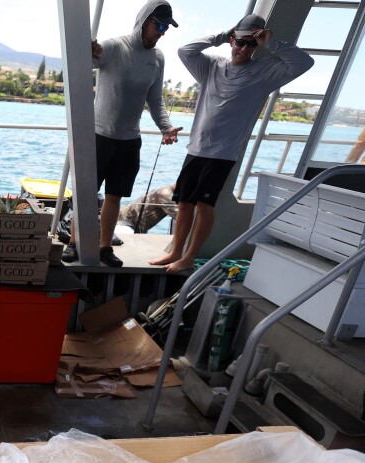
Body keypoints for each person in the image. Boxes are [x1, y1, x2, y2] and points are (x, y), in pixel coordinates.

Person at [150, 14, 314, 273]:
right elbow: (185, 50)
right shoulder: (212, 65)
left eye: (252, 44)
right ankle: (174, 252)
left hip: (223, 153)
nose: (245, 48)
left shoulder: (265, 72)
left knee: (204, 205)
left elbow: (305, 63)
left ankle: (189, 257)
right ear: (231, 40)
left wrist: (272, 43)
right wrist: (218, 37)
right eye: (240, 42)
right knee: (183, 203)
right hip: (196, 147)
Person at [65, 0, 181, 267]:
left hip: (129, 140)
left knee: (114, 197)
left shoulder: (158, 57)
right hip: (99, 135)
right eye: (159, 25)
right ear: (144, 21)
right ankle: (73, 242)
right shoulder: (116, 46)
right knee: (85, 192)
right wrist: (89, 52)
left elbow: (155, 98)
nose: (162, 31)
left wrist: (166, 127)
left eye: (166, 27)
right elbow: (88, 65)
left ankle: (105, 248)